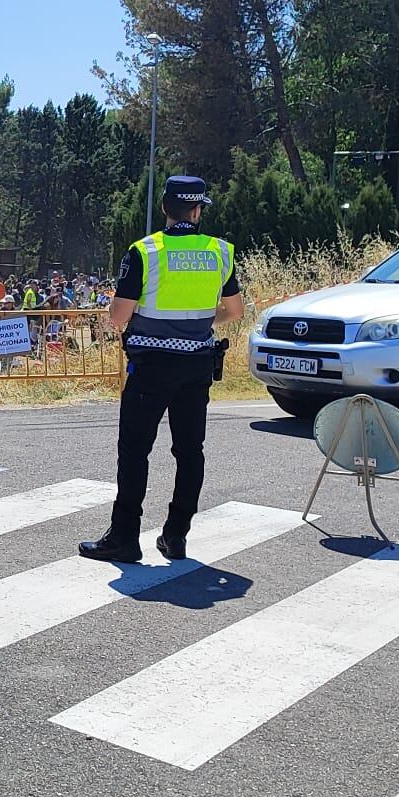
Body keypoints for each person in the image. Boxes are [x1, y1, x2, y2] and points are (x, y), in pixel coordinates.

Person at [78, 175, 243, 564]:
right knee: (189, 451)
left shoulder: (145, 251)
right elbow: (234, 311)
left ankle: (124, 538)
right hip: (197, 365)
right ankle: (176, 536)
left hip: (150, 365)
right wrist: (198, 326)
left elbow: (118, 317)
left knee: (135, 452)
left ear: (165, 209)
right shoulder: (220, 251)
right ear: (198, 210)